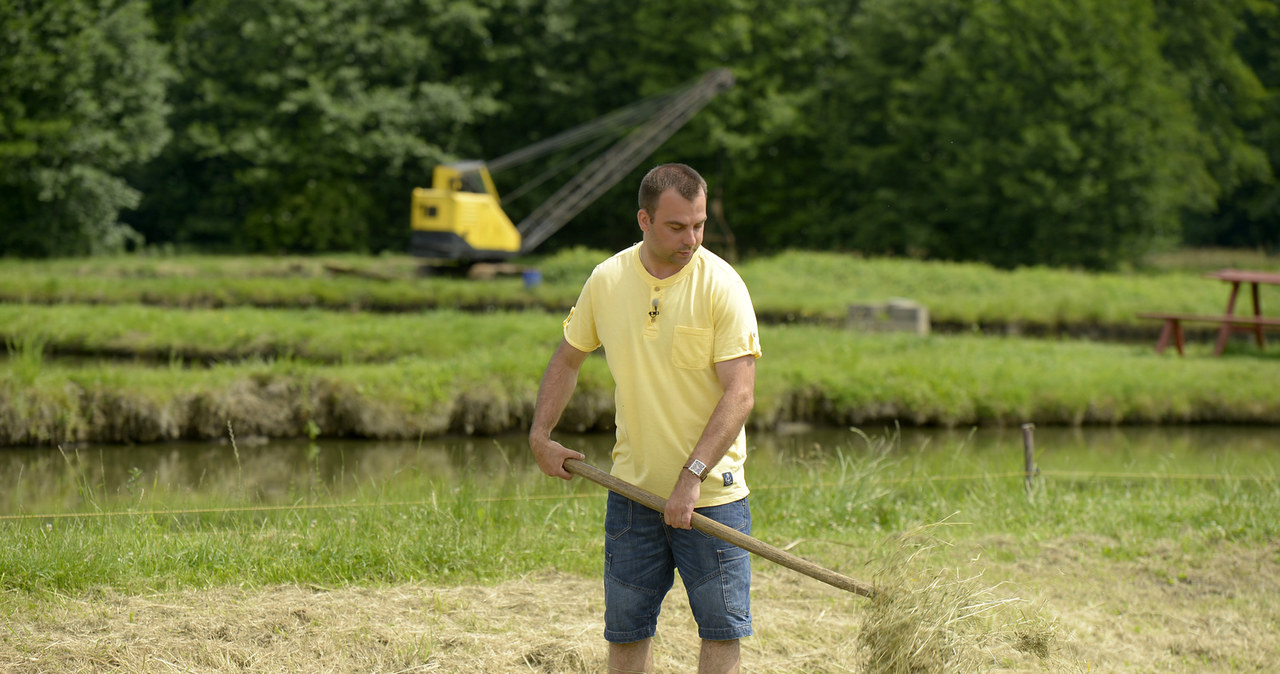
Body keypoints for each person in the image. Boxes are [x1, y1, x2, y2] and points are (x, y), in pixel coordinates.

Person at [528, 163, 762, 674]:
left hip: (713, 500)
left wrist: (691, 477)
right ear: (644, 219)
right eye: (677, 226)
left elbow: (739, 395)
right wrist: (540, 435)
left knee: (722, 631)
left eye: (699, 225)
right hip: (631, 493)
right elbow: (567, 359)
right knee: (627, 631)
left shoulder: (723, 285)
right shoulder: (608, 279)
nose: (692, 238)